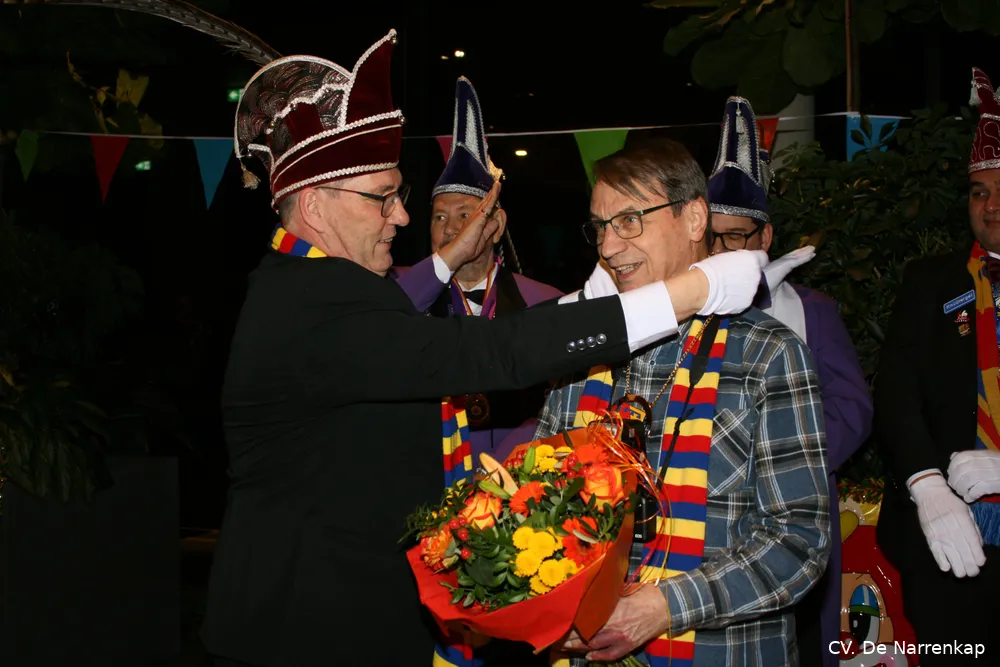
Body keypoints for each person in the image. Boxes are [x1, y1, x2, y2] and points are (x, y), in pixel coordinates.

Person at [200, 30, 769, 667]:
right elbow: (488, 353)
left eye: (399, 196)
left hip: (352, 617)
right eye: (382, 197)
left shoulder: (327, 288)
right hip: (304, 627)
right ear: (314, 205)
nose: (401, 217)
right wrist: (689, 292)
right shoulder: (313, 300)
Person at [536, 137, 831, 667]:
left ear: (694, 219)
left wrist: (665, 607)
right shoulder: (582, 355)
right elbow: (533, 504)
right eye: (600, 227)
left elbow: (799, 541)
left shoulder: (767, 354)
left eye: (629, 221)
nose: (608, 247)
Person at [705, 96, 873, 667]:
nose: (722, 250)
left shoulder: (811, 309)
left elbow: (852, 408)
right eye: (712, 237)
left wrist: (778, 459)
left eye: (736, 236)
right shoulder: (683, 308)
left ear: (766, 235)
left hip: (793, 516)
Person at [874, 67, 1000, 665]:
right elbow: (895, 392)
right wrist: (925, 485)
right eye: (979, 192)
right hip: (947, 539)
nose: (991, 206)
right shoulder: (930, 281)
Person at [391, 76, 562, 475]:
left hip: (513, 480)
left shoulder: (544, 301)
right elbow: (383, 322)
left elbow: (558, 402)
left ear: (496, 226)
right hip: (420, 476)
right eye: (439, 217)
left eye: (465, 215)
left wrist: (505, 465)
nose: (451, 229)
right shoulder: (400, 287)